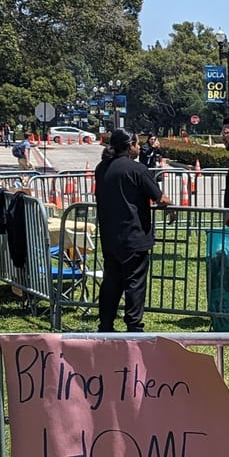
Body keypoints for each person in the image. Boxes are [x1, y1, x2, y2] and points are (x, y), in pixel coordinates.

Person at [93, 128, 165, 332]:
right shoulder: (137, 169)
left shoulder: (101, 167)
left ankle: (105, 324)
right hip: (134, 236)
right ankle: (134, 326)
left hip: (109, 235)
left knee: (111, 282)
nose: (138, 147)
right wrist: (169, 206)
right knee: (134, 283)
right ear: (128, 146)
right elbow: (159, 196)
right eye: (136, 143)